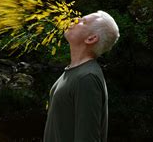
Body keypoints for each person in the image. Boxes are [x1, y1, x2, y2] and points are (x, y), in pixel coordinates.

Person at [43, 10, 120, 142]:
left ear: (91, 39)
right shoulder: (75, 71)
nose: (75, 19)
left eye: (83, 21)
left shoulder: (87, 78)